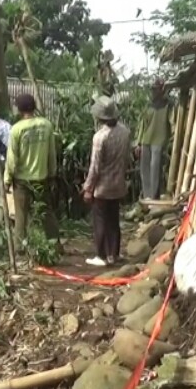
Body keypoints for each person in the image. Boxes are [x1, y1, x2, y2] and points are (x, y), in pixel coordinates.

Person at [83, 97, 132, 267]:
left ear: (99, 117)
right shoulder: (125, 132)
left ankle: (101, 255)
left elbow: (95, 167)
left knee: (100, 219)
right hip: (118, 183)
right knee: (113, 219)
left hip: (102, 186)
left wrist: (88, 188)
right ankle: (114, 254)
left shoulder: (99, 137)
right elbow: (127, 158)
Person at [4, 93, 60, 243]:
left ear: (19, 109)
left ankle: (19, 249)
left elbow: (12, 158)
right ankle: (54, 244)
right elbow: (51, 153)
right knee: (46, 212)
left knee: (20, 216)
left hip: (22, 180)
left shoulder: (16, 129)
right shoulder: (46, 125)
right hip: (42, 178)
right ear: (34, 107)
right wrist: (52, 174)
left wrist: (7, 179)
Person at [134, 78, 171, 201]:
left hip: (159, 141)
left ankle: (153, 197)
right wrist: (138, 143)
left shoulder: (168, 105)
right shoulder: (148, 106)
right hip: (146, 140)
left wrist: (170, 139)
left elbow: (173, 123)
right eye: (153, 90)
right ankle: (147, 197)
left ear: (162, 90)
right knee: (144, 171)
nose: (153, 92)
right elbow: (142, 125)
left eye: (156, 89)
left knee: (155, 170)